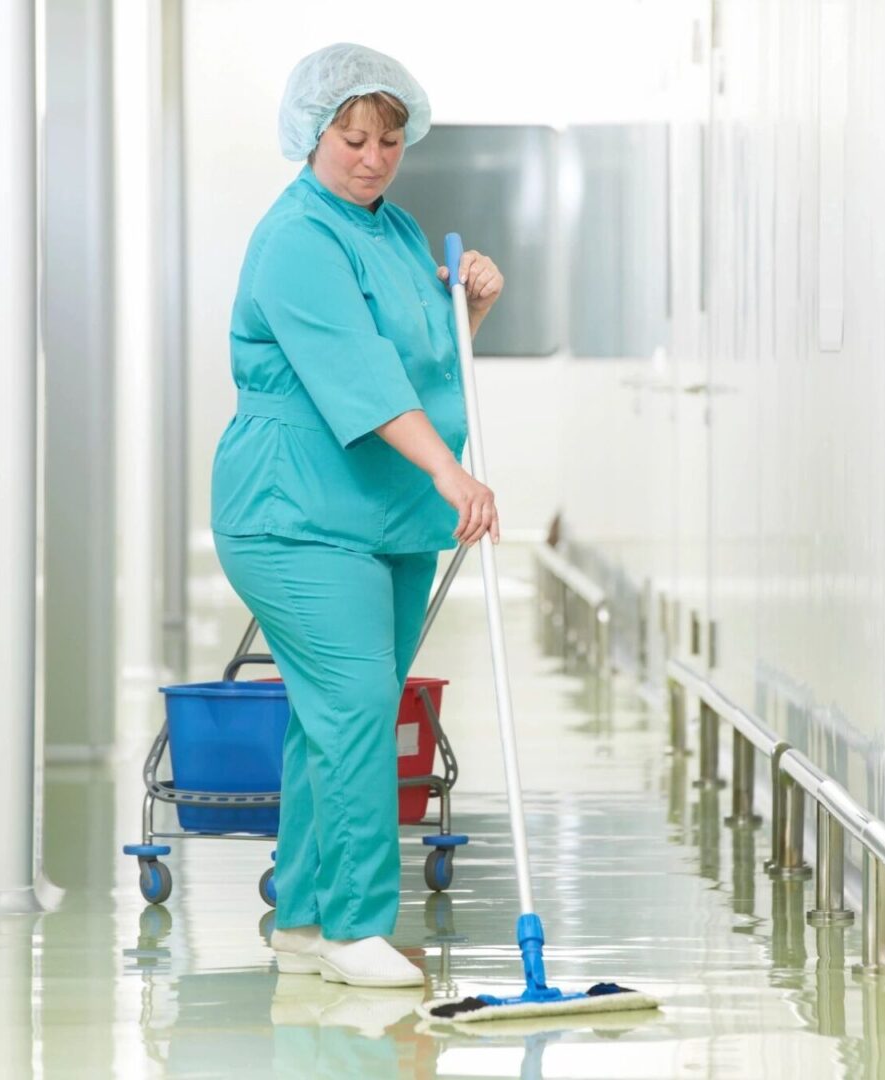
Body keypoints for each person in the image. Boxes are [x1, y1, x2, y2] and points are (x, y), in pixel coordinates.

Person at [211, 42, 504, 988]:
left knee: (328, 714)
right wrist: (455, 479)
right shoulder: (298, 237)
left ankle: (301, 915)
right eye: (352, 138)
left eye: (388, 139)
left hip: (383, 510)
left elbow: (419, 365)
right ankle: (355, 928)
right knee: (358, 707)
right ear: (312, 134)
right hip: (294, 510)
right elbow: (363, 382)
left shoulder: (393, 228)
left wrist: (472, 311)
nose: (373, 157)